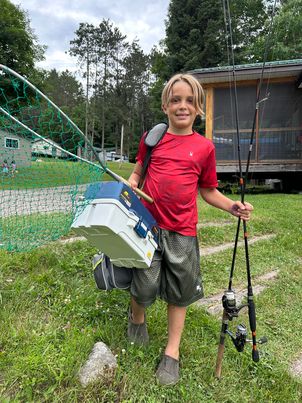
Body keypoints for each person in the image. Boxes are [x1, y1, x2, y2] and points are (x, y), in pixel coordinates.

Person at [127, 73, 253, 386]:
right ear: (165, 105)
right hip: (147, 226)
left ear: (198, 108)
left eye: (189, 101)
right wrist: (131, 183)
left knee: (179, 294)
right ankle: (137, 318)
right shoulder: (152, 139)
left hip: (183, 231)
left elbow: (208, 190)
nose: (182, 106)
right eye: (175, 100)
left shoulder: (204, 148)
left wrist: (231, 206)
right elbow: (137, 172)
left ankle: (172, 352)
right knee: (143, 285)